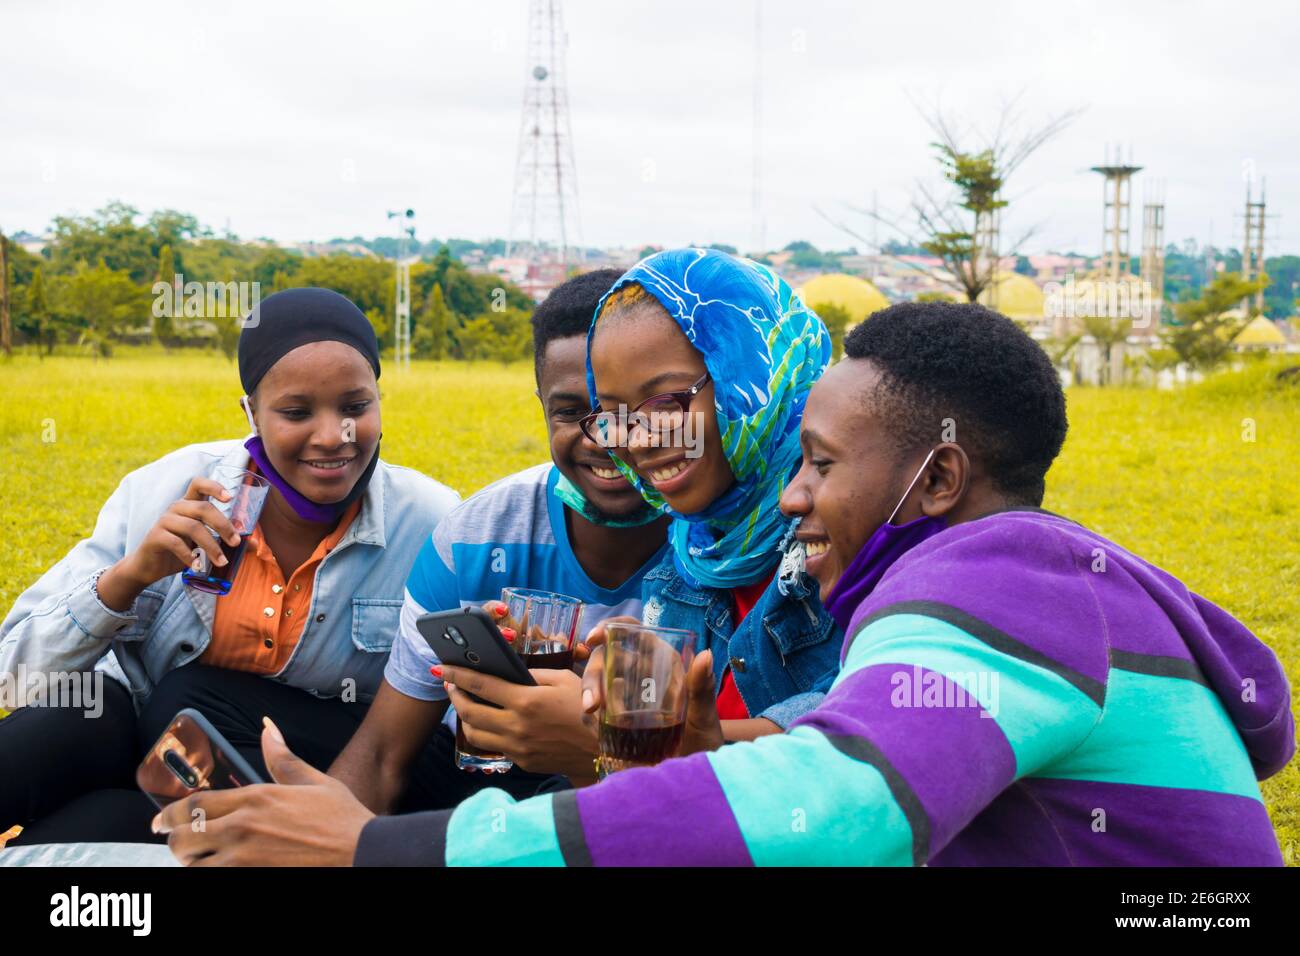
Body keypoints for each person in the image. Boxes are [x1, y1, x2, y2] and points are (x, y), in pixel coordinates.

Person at [153, 300, 1293, 866]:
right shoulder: (989, 585)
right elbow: (866, 760)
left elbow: (850, 802)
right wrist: (702, 751)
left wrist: (377, 848)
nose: (790, 495)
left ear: (937, 474)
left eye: (823, 463)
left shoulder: (1008, 573)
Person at [0, 287, 460, 845]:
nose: (331, 434)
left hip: (310, 779)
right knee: (79, 722)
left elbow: (445, 729)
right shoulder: (163, 489)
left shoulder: (433, 524)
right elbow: (13, 677)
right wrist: (128, 579)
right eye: (295, 412)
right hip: (150, 754)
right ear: (250, 411)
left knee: (182, 704)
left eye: (355, 407)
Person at [327, 270, 671, 811]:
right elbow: (383, 757)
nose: (606, 438)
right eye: (571, 412)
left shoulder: (721, 550)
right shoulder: (473, 538)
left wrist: (601, 742)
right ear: (540, 404)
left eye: (632, 411)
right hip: (483, 785)